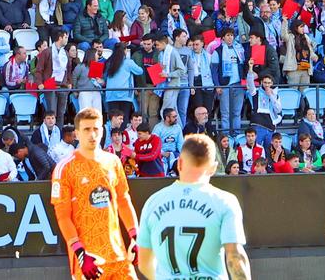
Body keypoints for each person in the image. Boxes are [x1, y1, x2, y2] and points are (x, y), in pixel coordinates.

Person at [135, 134, 248, 280]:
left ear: (179, 164)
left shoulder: (153, 201)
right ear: (213, 168)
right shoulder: (224, 201)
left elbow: (144, 262)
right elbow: (235, 256)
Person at [51, 106, 138, 280]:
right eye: (86, 129)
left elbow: (123, 200)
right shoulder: (65, 168)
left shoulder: (113, 161)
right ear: (77, 133)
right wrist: (80, 252)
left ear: (102, 130)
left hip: (118, 255)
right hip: (89, 259)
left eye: (96, 129)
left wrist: (135, 236)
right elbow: (63, 216)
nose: (92, 134)